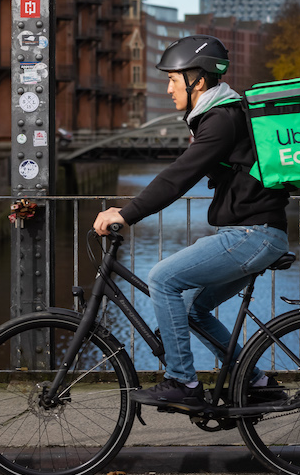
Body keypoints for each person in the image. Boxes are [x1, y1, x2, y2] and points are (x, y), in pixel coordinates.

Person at [93, 35, 289, 407]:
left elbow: (178, 175)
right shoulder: (219, 116)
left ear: (197, 79)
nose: (167, 88)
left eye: (172, 79)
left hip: (253, 234)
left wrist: (126, 212)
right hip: (255, 233)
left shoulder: (222, 119)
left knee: (161, 277)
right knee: (193, 309)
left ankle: (183, 382)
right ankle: (257, 381)